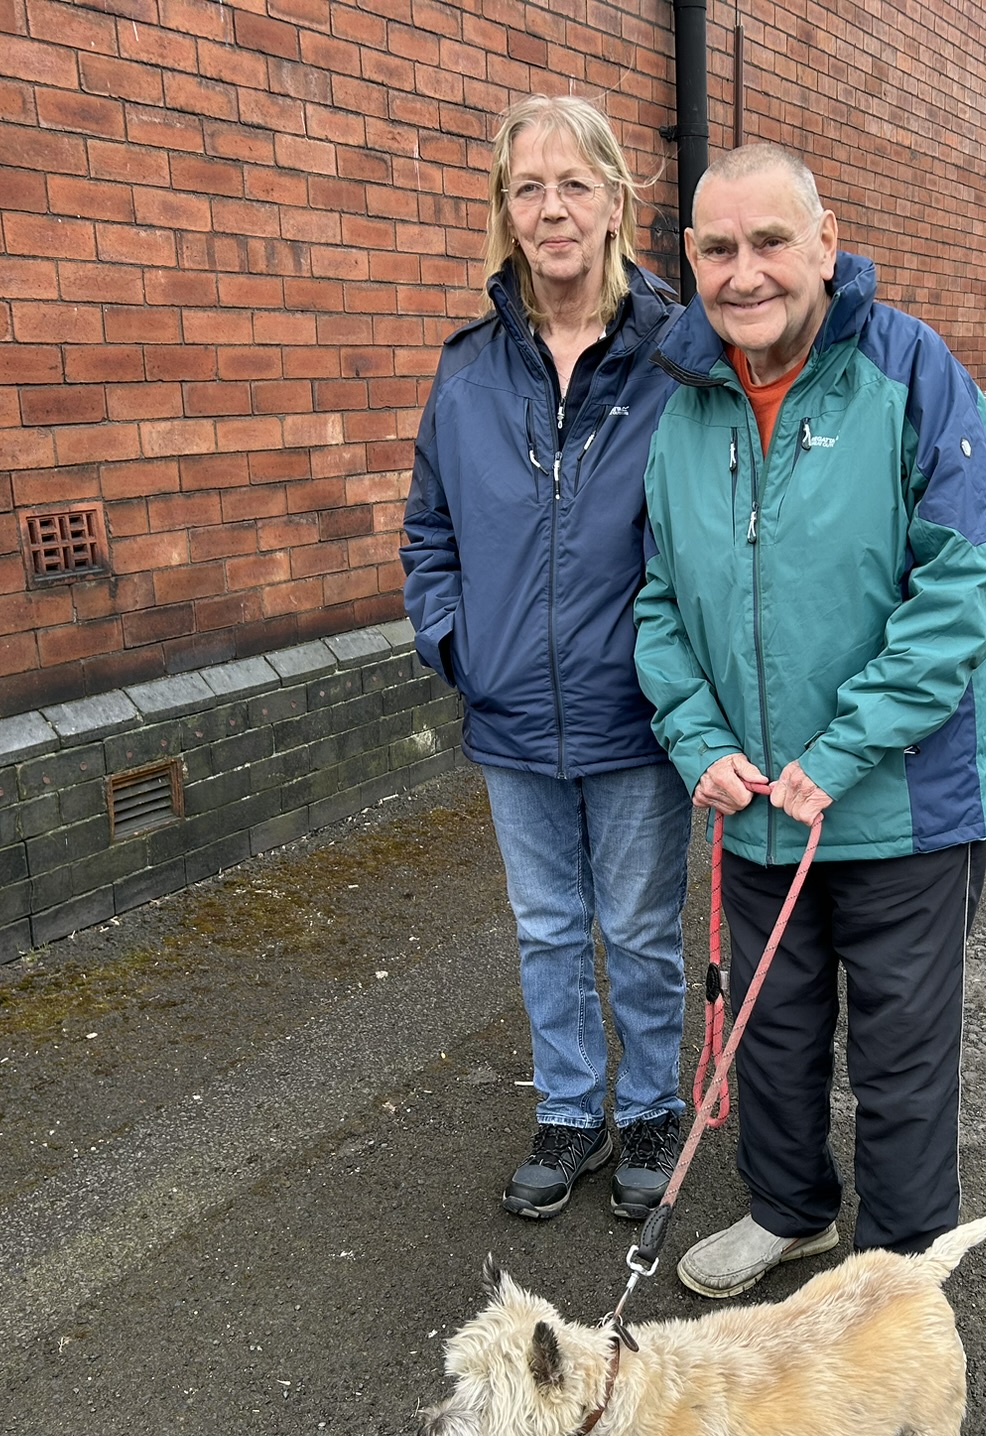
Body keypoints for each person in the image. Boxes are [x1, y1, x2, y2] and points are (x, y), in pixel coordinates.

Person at [633, 144, 986, 1296]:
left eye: (769, 242)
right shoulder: (683, 405)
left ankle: (892, 1289)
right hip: (755, 816)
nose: (743, 274)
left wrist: (840, 752)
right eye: (716, 248)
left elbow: (960, 589)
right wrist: (699, 745)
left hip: (896, 812)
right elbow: (655, 601)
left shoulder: (911, 371)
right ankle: (788, 1210)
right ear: (690, 260)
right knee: (771, 1037)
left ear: (825, 242)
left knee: (900, 1065)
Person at [403, 97, 690, 1222]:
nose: (552, 207)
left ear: (617, 200)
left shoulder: (678, 352)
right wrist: (452, 640)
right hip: (510, 707)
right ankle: (572, 1112)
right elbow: (426, 528)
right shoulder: (468, 370)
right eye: (529, 187)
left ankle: (655, 1105)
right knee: (545, 929)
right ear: (503, 210)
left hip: (636, 712)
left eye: (575, 183)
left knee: (638, 930)